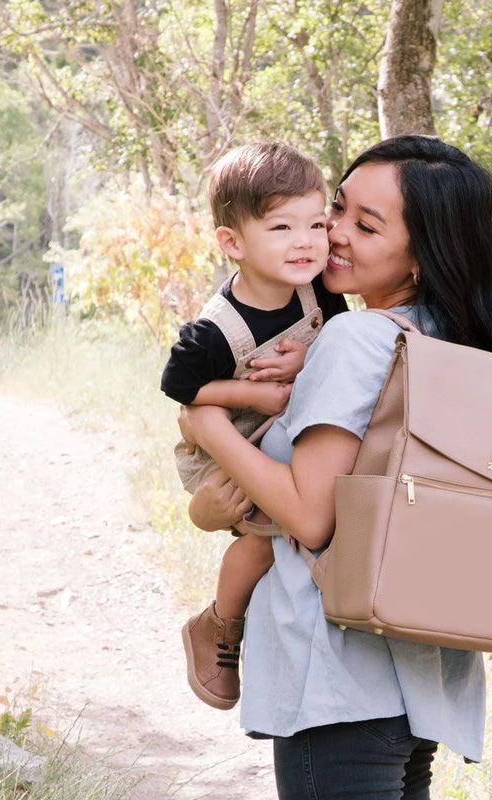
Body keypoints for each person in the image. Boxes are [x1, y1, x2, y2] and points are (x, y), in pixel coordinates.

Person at [179, 134, 492, 800]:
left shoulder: (357, 342)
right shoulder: (462, 344)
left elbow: (307, 514)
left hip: (334, 685)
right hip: (416, 680)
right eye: (339, 207)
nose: (332, 233)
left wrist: (208, 428)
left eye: (365, 225)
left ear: (422, 254)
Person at [160, 141, 346, 710]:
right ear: (233, 242)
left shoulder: (321, 295)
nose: (306, 241)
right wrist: (255, 394)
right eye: (282, 227)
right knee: (266, 542)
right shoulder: (213, 332)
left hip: (288, 437)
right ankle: (219, 622)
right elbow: (180, 389)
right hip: (227, 449)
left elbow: (337, 348)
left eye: (316, 223)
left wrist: (303, 365)